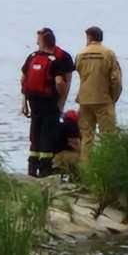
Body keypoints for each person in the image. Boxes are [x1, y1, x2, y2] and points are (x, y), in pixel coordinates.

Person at [20, 28, 74, 177]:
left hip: (33, 100)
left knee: (35, 131)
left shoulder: (31, 57)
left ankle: (32, 168)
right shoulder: (54, 61)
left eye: (38, 41)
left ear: (43, 42)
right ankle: (45, 169)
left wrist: (24, 102)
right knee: (47, 133)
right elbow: (60, 82)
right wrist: (61, 95)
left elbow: (23, 80)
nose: (36, 43)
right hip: (49, 101)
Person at [74, 25, 122, 160]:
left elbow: (79, 71)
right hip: (103, 99)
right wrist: (114, 97)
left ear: (89, 37)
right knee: (108, 137)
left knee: (86, 137)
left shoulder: (80, 54)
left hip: (84, 100)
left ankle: (86, 169)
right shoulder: (108, 54)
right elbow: (116, 79)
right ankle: (107, 166)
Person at [52, 109, 82, 174]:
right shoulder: (72, 126)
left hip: (55, 157)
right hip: (67, 156)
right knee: (83, 157)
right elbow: (75, 143)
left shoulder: (59, 125)